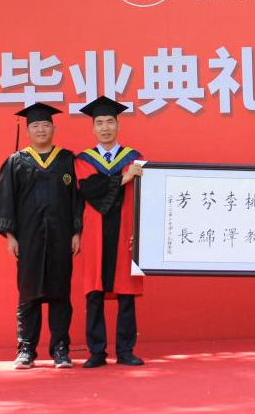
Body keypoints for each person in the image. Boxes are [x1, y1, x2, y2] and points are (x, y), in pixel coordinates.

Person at [0, 102, 81, 369]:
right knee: (28, 293)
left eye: (45, 125)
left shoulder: (67, 159)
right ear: (28, 130)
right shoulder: (16, 161)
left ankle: (61, 348)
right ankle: (26, 349)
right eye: (35, 126)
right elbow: (5, 199)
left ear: (53, 128)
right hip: (28, 238)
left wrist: (77, 231)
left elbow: (77, 198)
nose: (41, 129)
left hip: (61, 236)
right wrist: (10, 236)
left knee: (60, 293)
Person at [74, 95, 146, 368]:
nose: (105, 128)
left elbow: (146, 195)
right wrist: (123, 178)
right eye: (100, 123)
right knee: (94, 293)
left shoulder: (135, 159)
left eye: (110, 122)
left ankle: (126, 350)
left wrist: (144, 231)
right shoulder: (84, 160)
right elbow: (89, 190)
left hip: (126, 231)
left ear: (118, 125)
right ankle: (96, 352)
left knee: (126, 294)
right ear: (92, 127)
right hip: (95, 234)